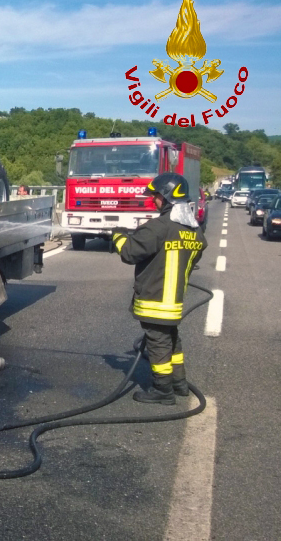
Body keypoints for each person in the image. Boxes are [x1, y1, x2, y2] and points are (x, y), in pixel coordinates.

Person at [110, 173, 207, 405]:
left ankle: (163, 390)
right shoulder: (194, 230)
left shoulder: (159, 227)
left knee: (158, 341)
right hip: (175, 298)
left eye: (155, 196)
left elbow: (130, 253)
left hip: (155, 298)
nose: (153, 200)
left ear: (166, 197)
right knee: (171, 338)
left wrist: (118, 236)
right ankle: (179, 383)